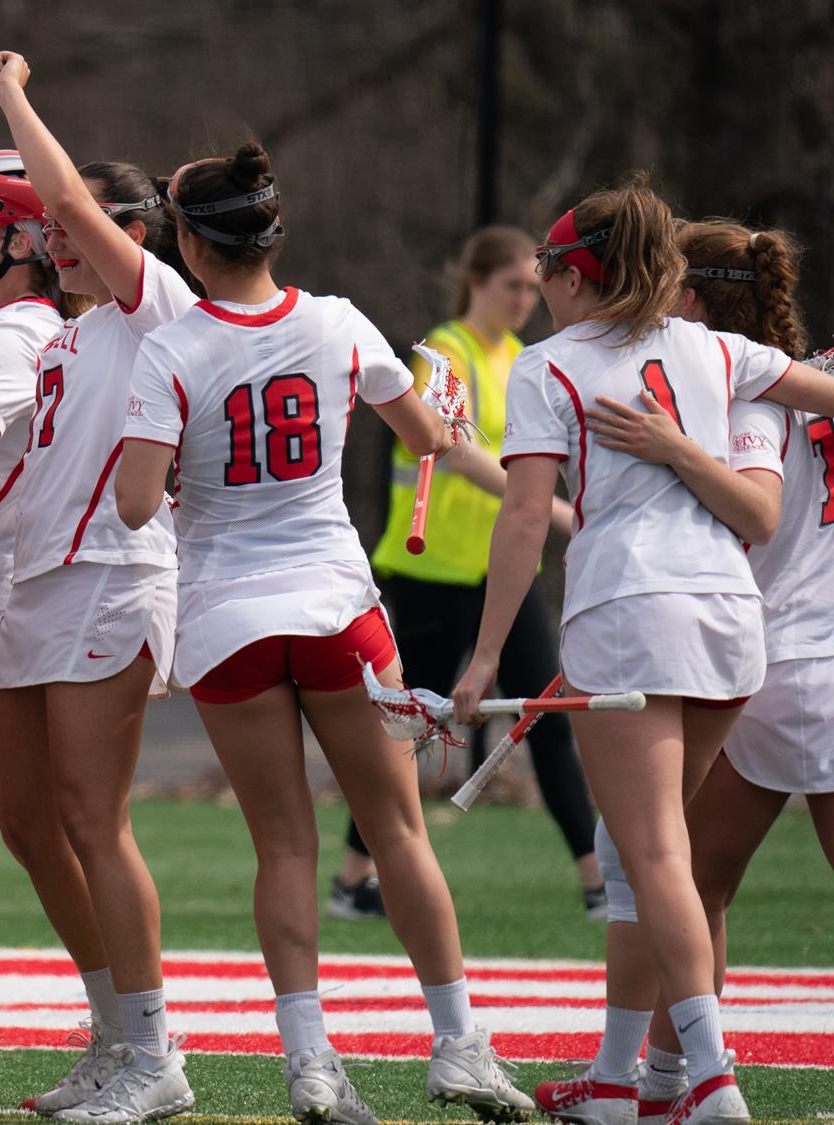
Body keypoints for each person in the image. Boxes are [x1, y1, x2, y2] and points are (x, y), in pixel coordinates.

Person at [116, 137, 532, 1124]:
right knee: (396, 831)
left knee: (284, 847)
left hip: (222, 617)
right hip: (337, 606)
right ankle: (457, 1046)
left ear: (187, 242)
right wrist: (445, 425)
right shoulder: (338, 321)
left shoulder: (170, 348)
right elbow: (427, 435)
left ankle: (309, 1063)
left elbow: (136, 502)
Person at [450, 180, 834, 1125]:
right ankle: (624, 1082)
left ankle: (708, 1081)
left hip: (630, 610)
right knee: (646, 856)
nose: (540, 285)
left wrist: (486, 653)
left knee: (657, 854)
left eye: (548, 269)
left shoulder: (547, 366)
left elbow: (528, 515)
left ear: (580, 275)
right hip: (728, 620)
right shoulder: (717, 347)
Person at [0, 50, 196, 1123]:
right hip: (37, 584)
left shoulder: (154, 303)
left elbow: (57, 191)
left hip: (114, 578)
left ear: (134, 230)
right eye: (41, 233)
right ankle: (114, 1031)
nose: (49, 236)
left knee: (91, 818)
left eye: (73, 224)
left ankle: (153, 1052)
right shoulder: (66, 334)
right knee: (29, 824)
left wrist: (9, 92)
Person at [344, 225, 601, 921]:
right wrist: (549, 508)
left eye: (530, 284)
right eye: (511, 284)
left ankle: (594, 879)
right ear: (477, 282)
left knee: (545, 716)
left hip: (500, 573)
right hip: (432, 573)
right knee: (412, 725)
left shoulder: (523, 356)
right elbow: (447, 445)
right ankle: (352, 877)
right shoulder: (447, 352)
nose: (524, 297)